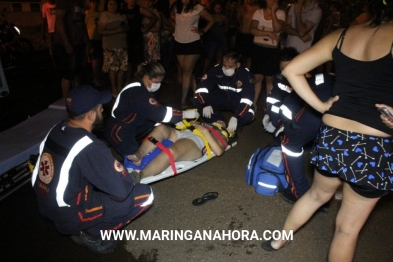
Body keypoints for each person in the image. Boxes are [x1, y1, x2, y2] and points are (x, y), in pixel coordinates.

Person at [262, 1, 393, 261]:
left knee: (315, 195)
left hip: (334, 135)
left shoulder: (343, 34)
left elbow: (291, 69)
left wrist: (321, 106)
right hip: (373, 146)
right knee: (346, 230)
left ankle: (278, 241)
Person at [32, 85, 153, 254]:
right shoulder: (90, 146)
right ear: (90, 115)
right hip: (68, 214)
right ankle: (92, 233)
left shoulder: (55, 130)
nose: (103, 109)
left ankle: (82, 223)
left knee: (90, 176)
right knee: (144, 195)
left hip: (45, 204)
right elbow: (121, 190)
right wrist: (127, 177)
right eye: (99, 108)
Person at [263, 47, 334, 206]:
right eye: (283, 68)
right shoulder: (281, 79)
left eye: (290, 66)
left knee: (291, 145)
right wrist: (270, 117)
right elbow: (275, 99)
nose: (286, 71)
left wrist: (287, 130)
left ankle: (302, 194)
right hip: (297, 122)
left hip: (318, 124)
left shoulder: (322, 81)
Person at [105, 61, 199, 159]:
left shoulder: (141, 86)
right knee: (135, 159)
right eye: (157, 82)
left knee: (161, 131)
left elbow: (156, 109)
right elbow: (159, 113)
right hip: (119, 130)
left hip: (133, 124)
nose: (159, 85)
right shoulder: (137, 93)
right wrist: (183, 114)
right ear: (147, 78)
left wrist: (173, 121)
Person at [128, 121, 229, 180]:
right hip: (182, 133)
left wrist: (206, 132)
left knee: (171, 151)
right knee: (161, 128)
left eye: (223, 121)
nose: (220, 120)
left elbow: (219, 152)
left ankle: (140, 175)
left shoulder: (222, 133)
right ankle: (139, 156)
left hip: (196, 142)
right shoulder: (203, 122)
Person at [192, 49, 255, 133]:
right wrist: (205, 104)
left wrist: (236, 117)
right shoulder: (216, 70)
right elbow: (201, 89)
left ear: (237, 65)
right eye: (224, 65)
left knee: (249, 114)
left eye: (230, 66)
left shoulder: (246, 74)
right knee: (197, 100)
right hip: (221, 97)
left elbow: (247, 99)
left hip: (237, 101)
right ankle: (219, 122)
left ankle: (236, 126)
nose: (226, 68)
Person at [171, 0, 214, 109]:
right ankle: (196, 93)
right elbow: (172, 17)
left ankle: (183, 101)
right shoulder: (177, 6)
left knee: (186, 72)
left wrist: (202, 31)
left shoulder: (197, 7)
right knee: (188, 71)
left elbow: (211, 19)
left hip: (193, 42)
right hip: (178, 42)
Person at [249, 0, 286, 108]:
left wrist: (273, 12)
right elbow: (252, 30)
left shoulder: (281, 13)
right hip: (258, 49)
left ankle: (268, 106)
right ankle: (254, 104)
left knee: (269, 79)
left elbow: (278, 28)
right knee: (257, 78)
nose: (273, 1)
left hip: (272, 50)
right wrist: (269, 33)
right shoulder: (258, 12)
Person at [54, 0, 92, 98]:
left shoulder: (80, 4)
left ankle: (77, 99)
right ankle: (65, 100)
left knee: (77, 73)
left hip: (79, 43)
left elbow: (82, 24)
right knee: (68, 73)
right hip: (67, 43)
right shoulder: (65, 2)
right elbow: (59, 20)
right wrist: (66, 42)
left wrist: (87, 42)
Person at [98, 0, 129, 98]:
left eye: (114, 4)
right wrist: (117, 31)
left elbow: (127, 28)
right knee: (113, 69)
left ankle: (120, 87)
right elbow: (101, 31)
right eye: (110, 4)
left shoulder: (121, 15)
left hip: (122, 45)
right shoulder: (105, 15)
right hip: (110, 46)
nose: (112, 6)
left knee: (122, 68)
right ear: (107, 5)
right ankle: (114, 88)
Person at [123, 0, 158, 82]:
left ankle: (138, 80)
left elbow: (154, 17)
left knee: (138, 61)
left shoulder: (139, 9)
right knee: (127, 61)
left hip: (136, 37)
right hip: (125, 37)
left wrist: (146, 28)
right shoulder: (122, 8)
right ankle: (128, 81)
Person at [202, 1, 228, 75]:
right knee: (209, 55)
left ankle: (218, 73)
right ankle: (204, 72)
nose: (218, 10)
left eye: (219, 8)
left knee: (219, 56)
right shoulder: (210, 17)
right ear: (213, 8)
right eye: (216, 8)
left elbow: (226, 28)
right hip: (212, 38)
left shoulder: (224, 18)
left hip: (221, 38)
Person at [235, 0, 260, 69]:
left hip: (250, 35)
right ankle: (235, 72)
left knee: (249, 57)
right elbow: (238, 20)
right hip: (241, 34)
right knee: (238, 54)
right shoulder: (243, 7)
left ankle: (246, 74)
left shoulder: (258, 9)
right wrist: (241, 12)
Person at [85, 0, 104, 87]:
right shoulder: (87, 13)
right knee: (94, 60)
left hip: (100, 39)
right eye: (93, 2)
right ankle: (96, 79)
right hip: (91, 39)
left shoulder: (102, 14)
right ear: (90, 3)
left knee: (99, 59)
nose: (95, 4)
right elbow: (84, 26)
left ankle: (98, 77)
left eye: (96, 2)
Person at [41, 0, 56, 65]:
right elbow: (44, 20)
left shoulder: (58, 4)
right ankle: (54, 64)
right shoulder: (45, 6)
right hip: (50, 31)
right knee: (52, 48)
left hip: (59, 30)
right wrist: (43, 32)